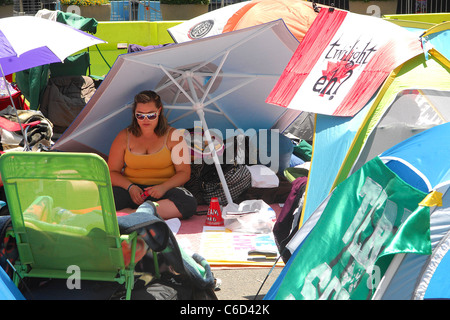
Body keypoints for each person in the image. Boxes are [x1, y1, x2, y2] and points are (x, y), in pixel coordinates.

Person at [108, 90, 197, 220]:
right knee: (105, 199)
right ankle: (144, 213)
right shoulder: (124, 136)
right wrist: (131, 187)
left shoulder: (173, 136)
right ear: (134, 114)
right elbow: (112, 172)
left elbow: (184, 173)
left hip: (164, 190)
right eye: (140, 115)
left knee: (188, 203)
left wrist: (162, 187)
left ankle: (132, 214)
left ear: (159, 111)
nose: (145, 120)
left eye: (151, 115)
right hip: (132, 190)